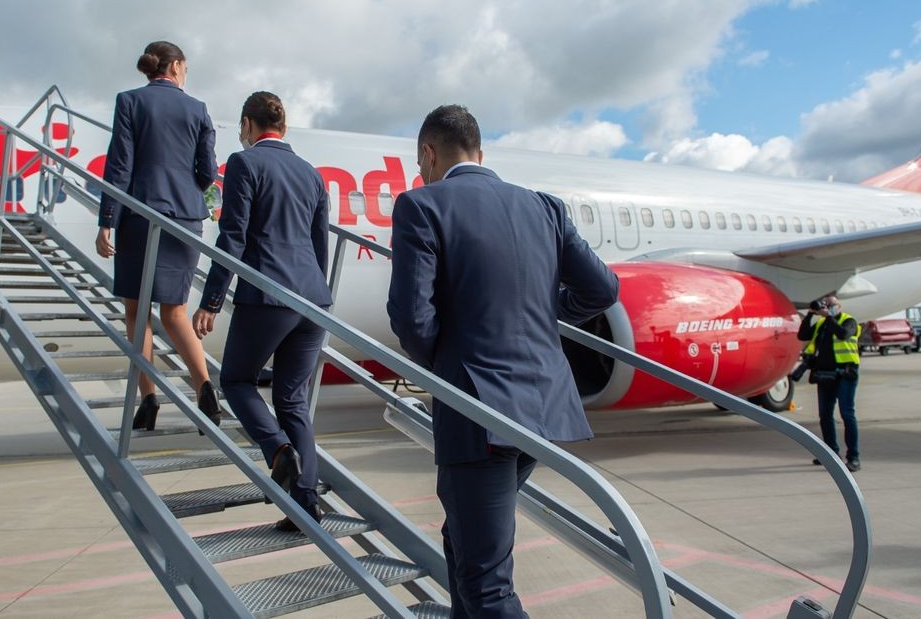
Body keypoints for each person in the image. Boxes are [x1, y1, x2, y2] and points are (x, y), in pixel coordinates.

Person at [387, 104, 618, 617]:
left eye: (420, 162)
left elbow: (411, 318)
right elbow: (602, 289)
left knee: (487, 581)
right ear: (480, 153)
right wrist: (545, 311)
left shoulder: (422, 206)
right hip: (544, 409)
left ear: (428, 153)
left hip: (477, 413)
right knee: (464, 541)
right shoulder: (544, 207)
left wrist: (442, 366)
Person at [192, 91, 332, 531]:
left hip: (268, 293)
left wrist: (211, 300)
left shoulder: (244, 163)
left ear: (249, 126)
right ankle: (306, 501)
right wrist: (317, 298)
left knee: (235, 379)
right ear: (283, 128)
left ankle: (276, 451)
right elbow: (319, 243)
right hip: (313, 298)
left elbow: (232, 237)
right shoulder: (311, 174)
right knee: (292, 399)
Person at [95, 40, 222, 432]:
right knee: (176, 311)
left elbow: (120, 164)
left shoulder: (130, 101)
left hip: (140, 215)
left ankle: (148, 399)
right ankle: (204, 390)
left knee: (137, 313)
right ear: (177, 66)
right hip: (185, 217)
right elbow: (208, 171)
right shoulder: (197, 109)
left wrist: (107, 221)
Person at [798, 294, 862, 472]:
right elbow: (802, 335)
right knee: (825, 415)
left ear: (838, 306)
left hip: (845, 374)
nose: (828, 307)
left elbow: (843, 334)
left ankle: (853, 457)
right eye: (826, 305)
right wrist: (811, 314)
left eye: (831, 305)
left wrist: (829, 317)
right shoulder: (821, 324)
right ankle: (831, 454)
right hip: (825, 375)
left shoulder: (849, 321)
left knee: (847, 414)